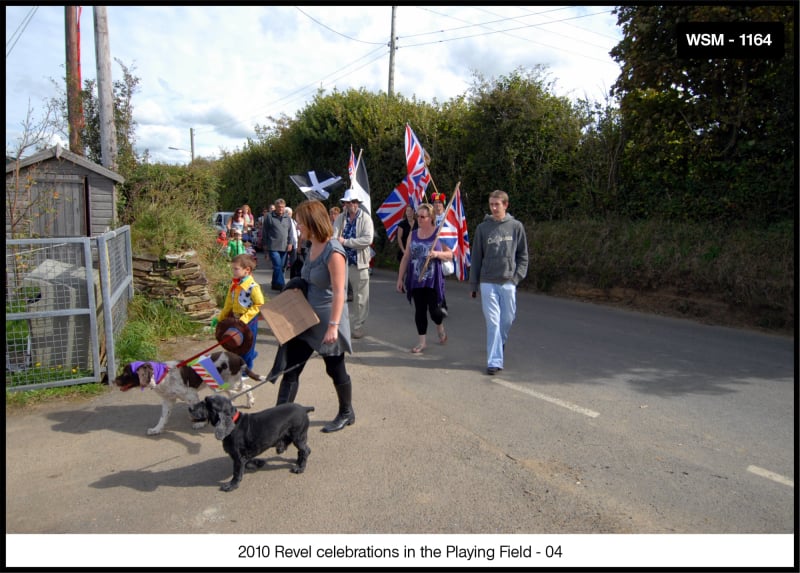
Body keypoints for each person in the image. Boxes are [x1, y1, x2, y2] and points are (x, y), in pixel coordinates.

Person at [276, 199, 355, 433]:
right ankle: (280, 422)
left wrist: (333, 326)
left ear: (312, 222)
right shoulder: (312, 245)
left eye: (300, 223)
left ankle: (346, 412)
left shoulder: (334, 251)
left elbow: (340, 291)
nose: (298, 226)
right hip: (307, 320)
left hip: (329, 321)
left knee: (335, 369)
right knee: (291, 369)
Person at [469, 190, 529, 375]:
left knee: (507, 319)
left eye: (497, 204)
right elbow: (477, 257)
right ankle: (494, 361)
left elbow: (523, 255)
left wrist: (516, 277)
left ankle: (499, 344)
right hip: (488, 281)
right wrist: (474, 284)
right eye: (491, 204)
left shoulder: (516, 227)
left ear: (505, 205)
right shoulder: (482, 228)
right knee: (493, 322)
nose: (494, 208)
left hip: (508, 281)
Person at [396, 203, 453, 353]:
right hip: (416, 279)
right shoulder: (413, 234)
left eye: (423, 216)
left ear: (431, 217)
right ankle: (422, 341)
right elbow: (406, 257)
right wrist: (400, 278)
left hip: (433, 279)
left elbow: (450, 254)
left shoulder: (438, 234)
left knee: (434, 311)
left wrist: (437, 254)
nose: (419, 219)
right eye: (418, 216)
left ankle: (439, 325)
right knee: (419, 310)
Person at [333, 189, 374, 339]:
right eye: (349, 202)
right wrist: (338, 241)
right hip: (341, 262)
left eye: (355, 202)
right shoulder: (340, 218)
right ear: (344, 204)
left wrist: (346, 242)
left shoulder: (365, 218)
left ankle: (358, 326)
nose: (352, 205)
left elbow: (367, 239)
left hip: (359, 263)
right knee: (339, 295)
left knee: (361, 297)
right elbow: (334, 235)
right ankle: (339, 325)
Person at [217, 253, 265, 372]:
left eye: (236, 269)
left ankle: (246, 371)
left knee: (247, 346)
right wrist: (221, 318)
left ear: (247, 270)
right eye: (233, 268)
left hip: (248, 321)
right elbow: (229, 302)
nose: (233, 271)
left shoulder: (253, 286)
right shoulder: (234, 284)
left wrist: (245, 319)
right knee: (236, 345)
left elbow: (259, 304)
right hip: (235, 319)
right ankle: (239, 364)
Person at [261, 198, 295, 291]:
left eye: (282, 207)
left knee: (282, 267)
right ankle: (282, 285)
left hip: (284, 246)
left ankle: (274, 283)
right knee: (277, 265)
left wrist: (290, 243)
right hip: (273, 246)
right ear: (275, 207)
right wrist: (265, 245)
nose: (281, 209)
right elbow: (265, 231)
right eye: (279, 207)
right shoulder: (269, 217)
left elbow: (290, 232)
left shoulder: (287, 217)